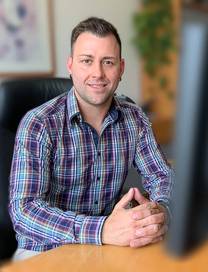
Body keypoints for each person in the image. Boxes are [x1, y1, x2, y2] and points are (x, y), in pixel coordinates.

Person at [9, 17, 174, 261]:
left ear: (121, 67)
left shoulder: (134, 117)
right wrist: (101, 230)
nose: (98, 73)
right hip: (44, 250)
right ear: (71, 65)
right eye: (87, 61)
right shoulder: (39, 123)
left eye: (108, 62)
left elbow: (162, 176)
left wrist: (160, 211)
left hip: (110, 247)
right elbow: (24, 211)